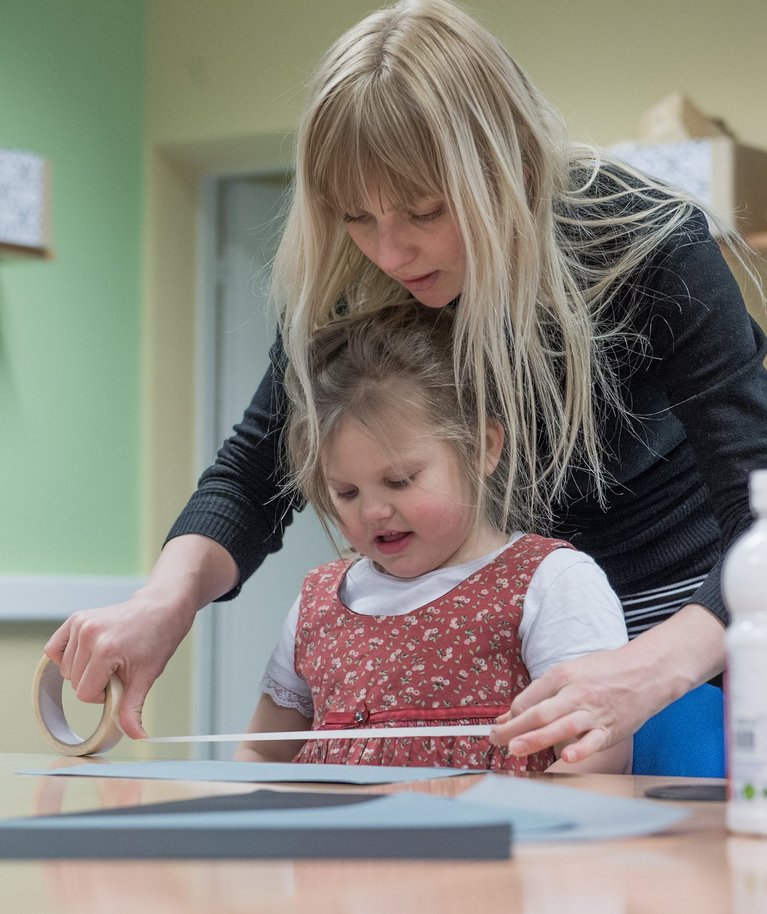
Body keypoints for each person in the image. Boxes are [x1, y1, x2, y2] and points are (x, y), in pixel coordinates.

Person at [46, 0, 767, 767]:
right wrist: (164, 600)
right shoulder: (341, 280)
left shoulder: (647, 245)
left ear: (514, 168)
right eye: (356, 217)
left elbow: (756, 506)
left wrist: (655, 665)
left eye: (424, 210)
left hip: (690, 633)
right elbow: (253, 472)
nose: (389, 253)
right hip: (503, 666)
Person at [233, 304, 631, 773]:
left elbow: (597, 755)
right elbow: (261, 749)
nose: (374, 511)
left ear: (484, 446)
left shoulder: (552, 584)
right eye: (346, 492)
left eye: (400, 480)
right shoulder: (318, 601)